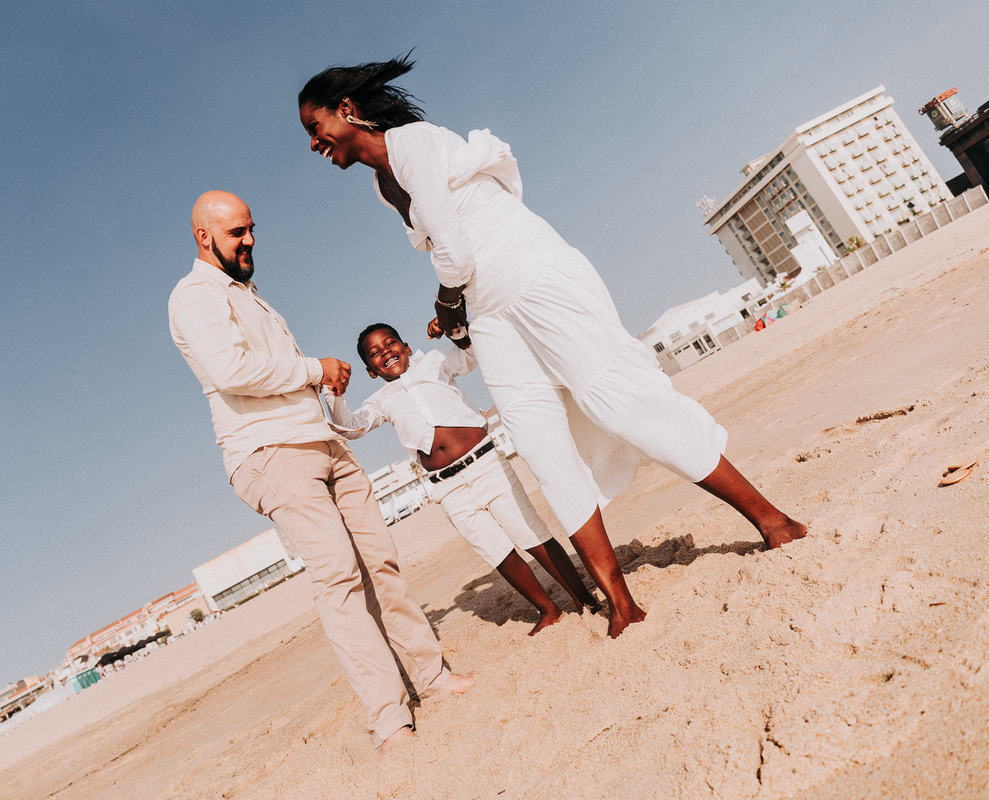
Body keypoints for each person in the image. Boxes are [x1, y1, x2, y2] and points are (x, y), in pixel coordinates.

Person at [297, 57, 807, 638]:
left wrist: (444, 304)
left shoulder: (412, 143)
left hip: (533, 272)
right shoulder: (379, 185)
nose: (314, 143)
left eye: (314, 128)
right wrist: (461, 314)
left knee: (620, 401)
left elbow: (456, 254)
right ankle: (621, 601)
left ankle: (773, 520)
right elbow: (450, 253)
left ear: (347, 110)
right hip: (489, 311)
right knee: (539, 443)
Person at [169, 190, 473, 753]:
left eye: (252, 228)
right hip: (269, 453)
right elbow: (231, 369)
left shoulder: (248, 295)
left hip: (322, 442)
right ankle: (389, 720)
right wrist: (317, 368)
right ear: (203, 237)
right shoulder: (193, 296)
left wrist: (320, 390)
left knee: (380, 563)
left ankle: (432, 677)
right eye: (237, 232)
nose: (250, 240)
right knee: (337, 576)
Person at [325, 322, 603, 636]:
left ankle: (584, 599)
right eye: (375, 354)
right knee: (496, 551)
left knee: (531, 534)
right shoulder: (380, 400)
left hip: (486, 465)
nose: (385, 353)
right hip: (447, 486)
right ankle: (548, 609)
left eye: (390, 344)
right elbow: (350, 427)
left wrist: (455, 331)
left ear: (404, 345)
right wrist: (333, 394)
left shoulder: (434, 361)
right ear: (371, 371)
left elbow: (471, 355)